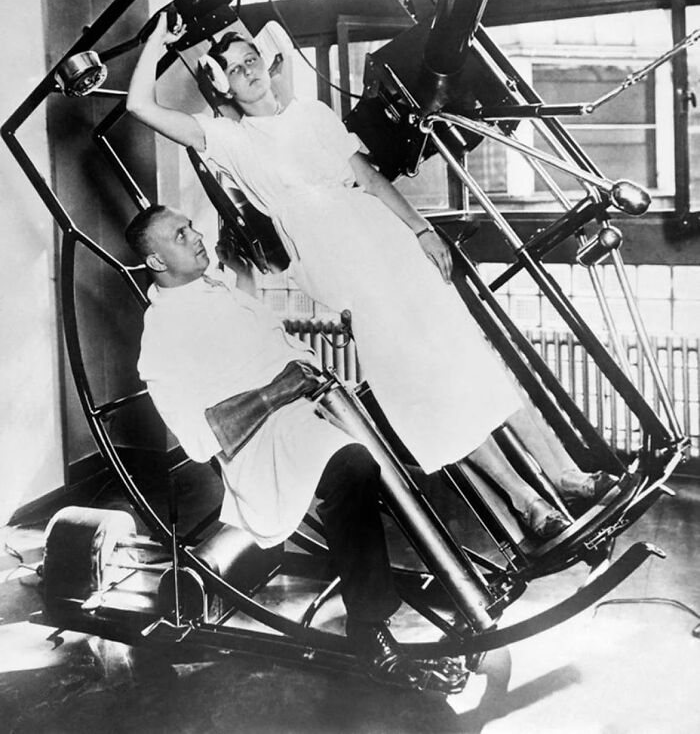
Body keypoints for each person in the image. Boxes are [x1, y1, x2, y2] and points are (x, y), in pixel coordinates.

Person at [126, 15, 613, 538]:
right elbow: (141, 106)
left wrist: (421, 228)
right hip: (343, 272)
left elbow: (369, 178)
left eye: (252, 60)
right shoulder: (227, 140)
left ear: (267, 64)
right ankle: (527, 503)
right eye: (234, 68)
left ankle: (566, 476)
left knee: (471, 363)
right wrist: (159, 37)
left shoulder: (313, 115)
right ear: (222, 83)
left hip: (388, 245)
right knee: (425, 393)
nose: (248, 71)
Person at [127, 204, 469, 694]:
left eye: (190, 226)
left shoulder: (214, 286)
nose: (196, 236)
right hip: (265, 446)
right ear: (157, 262)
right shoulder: (162, 337)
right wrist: (278, 390)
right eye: (180, 236)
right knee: (354, 466)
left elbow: (260, 339)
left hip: (309, 404)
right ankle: (371, 632)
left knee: (418, 396)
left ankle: (479, 568)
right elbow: (204, 439)